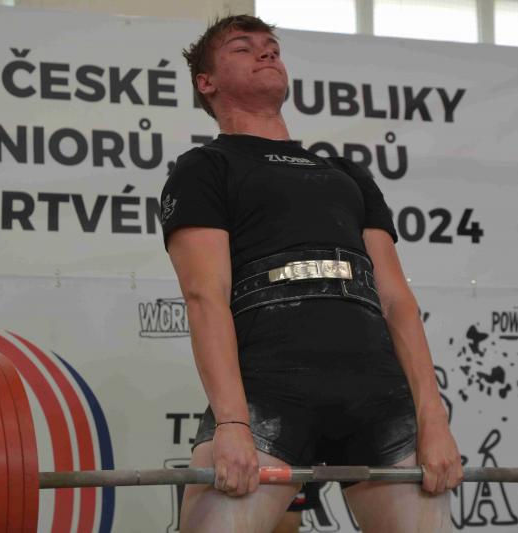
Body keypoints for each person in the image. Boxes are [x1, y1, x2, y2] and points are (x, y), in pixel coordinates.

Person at [162, 14, 463, 532]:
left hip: (378, 399)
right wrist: (232, 422)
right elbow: (205, 296)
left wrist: (433, 419)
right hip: (268, 395)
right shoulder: (204, 169)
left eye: (272, 46)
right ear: (205, 82)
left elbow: (396, 301)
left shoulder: (346, 175)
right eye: (243, 48)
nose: (266, 53)